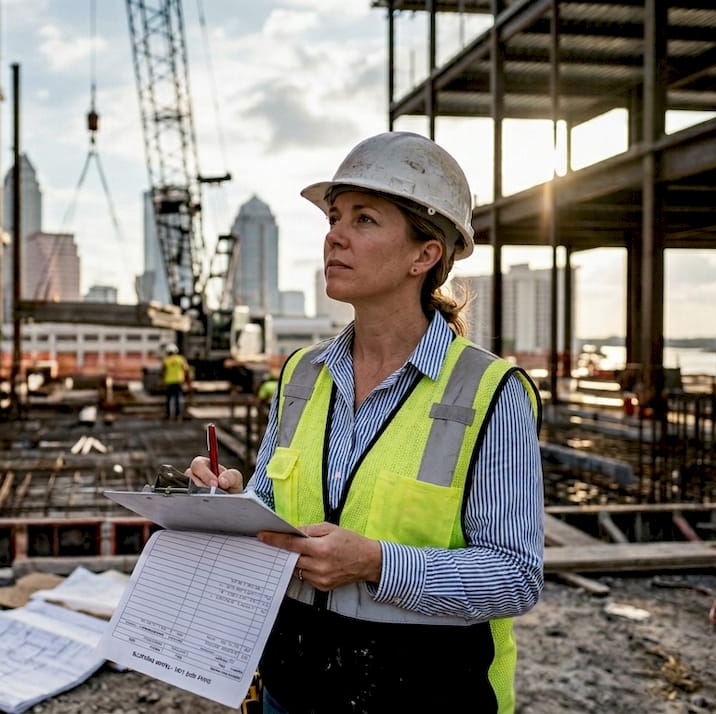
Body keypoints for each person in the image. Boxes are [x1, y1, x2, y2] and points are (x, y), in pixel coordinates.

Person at [186, 132, 544, 713]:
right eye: (334, 217)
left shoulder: (489, 392)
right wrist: (226, 503)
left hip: (428, 695)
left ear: (424, 256)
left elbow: (515, 576)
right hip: (293, 686)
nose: (334, 235)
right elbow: (271, 510)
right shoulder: (301, 375)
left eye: (365, 219)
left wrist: (377, 563)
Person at [160, 343, 191, 421]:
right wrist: (188, 381)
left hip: (169, 382)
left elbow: (162, 372)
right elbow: (187, 369)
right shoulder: (181, 359)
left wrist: (162, 381)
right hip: (178, 381)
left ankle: (168, 415)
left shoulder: (166, 360)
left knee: (168, 399)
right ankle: (177, 415)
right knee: (178, 398)